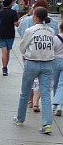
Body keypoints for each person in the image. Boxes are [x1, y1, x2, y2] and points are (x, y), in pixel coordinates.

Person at [13, 7, 56, 135]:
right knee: (46, 94)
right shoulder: (51, 31)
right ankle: (47, 124)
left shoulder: (30, 30)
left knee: (25, 92)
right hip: (48, 63)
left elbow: (22, 47)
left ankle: (20, 118)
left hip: (32, 62)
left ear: (35, 17)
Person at [0, 0, 19, 76]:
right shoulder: (13, 12)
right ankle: (6, 67)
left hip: (2, 33)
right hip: (10, 33)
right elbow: (16, 24)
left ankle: (4, 67)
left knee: (3, 51)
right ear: (10, 4)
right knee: (8, 52)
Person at [52, 21, 63, 117]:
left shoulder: (55, 38)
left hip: (55, 60)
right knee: (62, 84)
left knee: (55, 83)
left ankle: (56, 104)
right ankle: (59, 105)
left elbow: (52, 49)